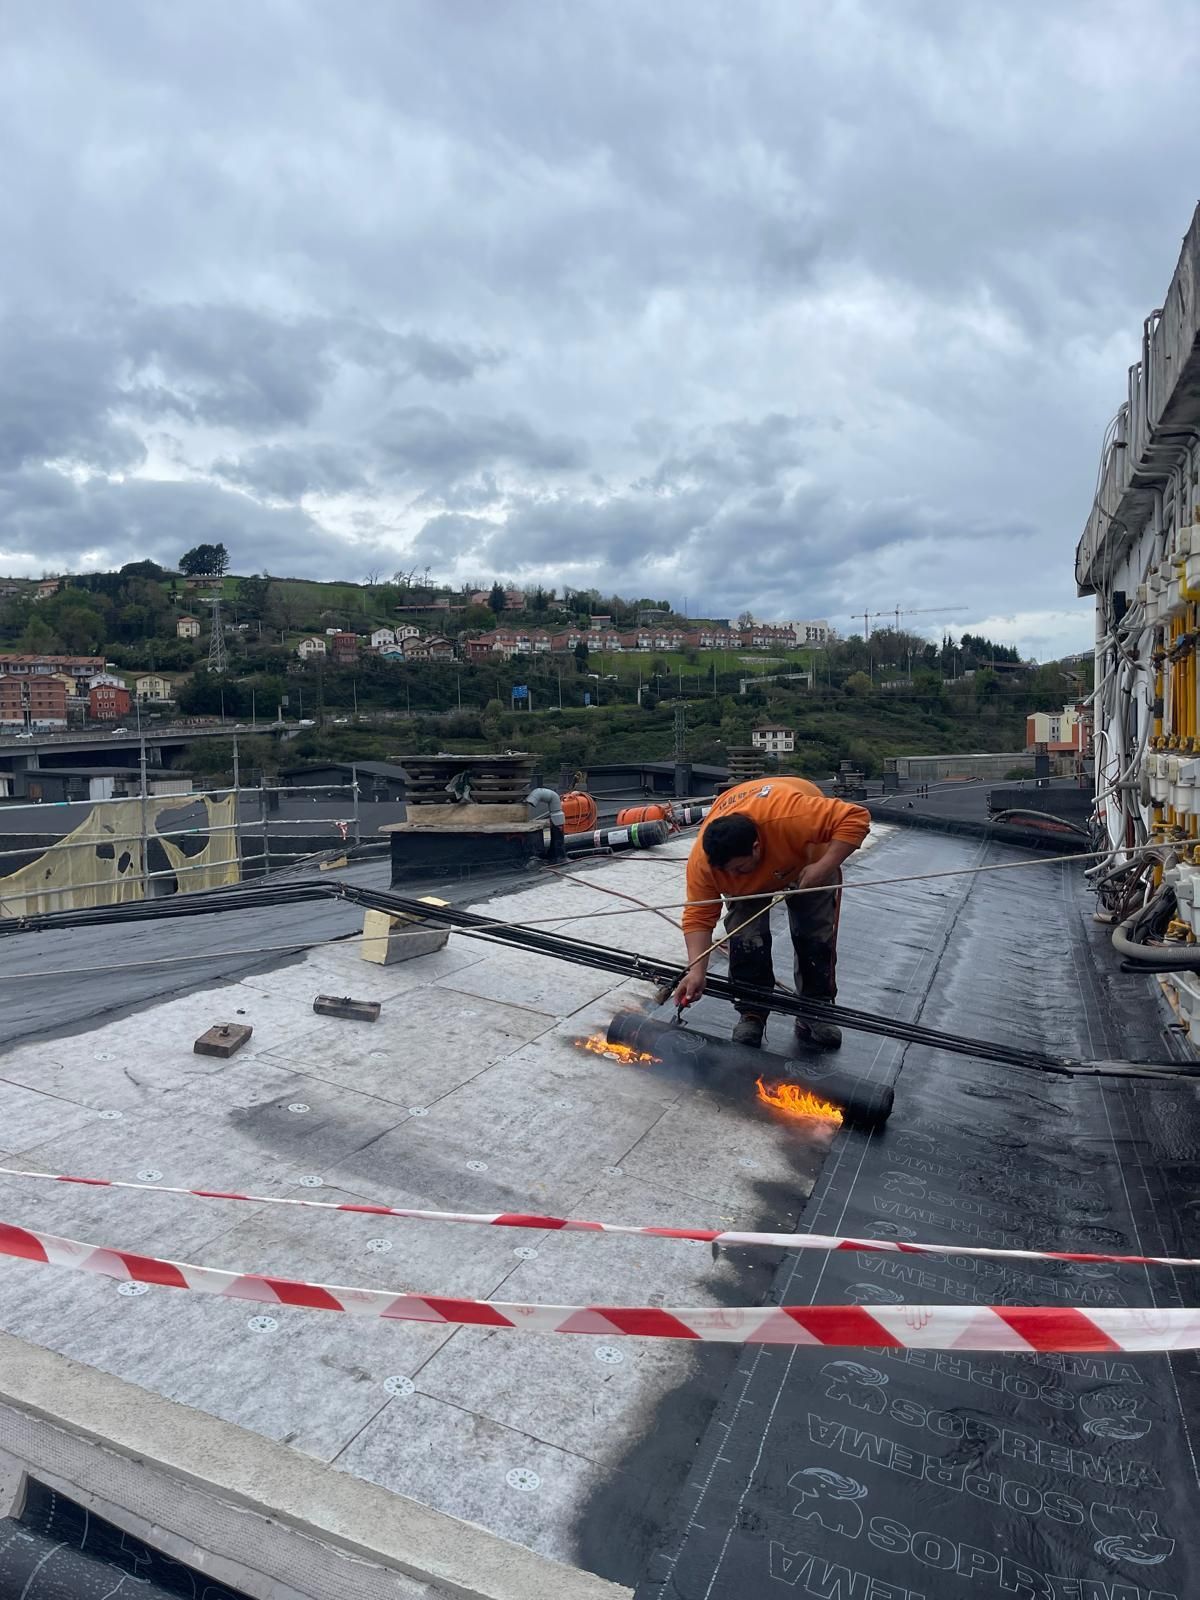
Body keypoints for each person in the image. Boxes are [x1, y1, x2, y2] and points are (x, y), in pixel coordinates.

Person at [673, 776, 871, 1050]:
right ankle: (752, 1011)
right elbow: (698, 917)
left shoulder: (790, 816)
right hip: (755, 880)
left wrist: (824, 866)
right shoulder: (704, 865)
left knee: (815, 934)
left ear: (756, 848)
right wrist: (697, 971)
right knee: (746, 937)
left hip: (807, 859)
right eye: (726, 872)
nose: (732, 876)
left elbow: (856, 818)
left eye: (740, 868)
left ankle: (815, 1009)